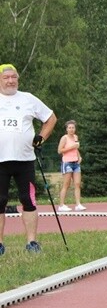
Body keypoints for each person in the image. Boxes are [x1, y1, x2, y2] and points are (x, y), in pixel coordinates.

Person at [0, 64, 57, 255]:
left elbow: (50, 118)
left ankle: (32, 242)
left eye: (13, 77)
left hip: (25, 160)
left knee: (28, 199)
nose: (10, 81)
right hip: (1, 161)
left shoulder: (28, 99)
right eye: (6, 77)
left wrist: (41, 137)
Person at [57, 120, 85, 212]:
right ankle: (61, 205)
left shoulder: (75, 137)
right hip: (67, 162)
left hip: (76, 163)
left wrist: (79, 156)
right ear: (66, 129)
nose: (71, 129)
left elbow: (76, 148)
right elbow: (60, 150)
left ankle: (78, 204)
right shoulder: (64, 138)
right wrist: (71, 147)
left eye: (73, 127)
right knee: (66, 184)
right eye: (69, 128)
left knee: (77, 183)